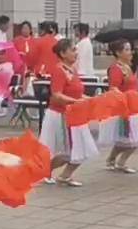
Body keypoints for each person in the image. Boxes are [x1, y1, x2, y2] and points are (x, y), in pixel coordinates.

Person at [39, 38, 99, 186]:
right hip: (61, 115)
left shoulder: (73, 70)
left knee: (83, 149)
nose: (76, 53)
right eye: (72, 50)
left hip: (75, 115)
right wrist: (75, 101)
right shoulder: (59, 70)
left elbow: (76, 93)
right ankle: (45, 171)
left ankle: (65, 175)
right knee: (68, 151)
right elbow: (56, 95)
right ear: (63, 53)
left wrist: (89, 99)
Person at [99, 39, 138, 172]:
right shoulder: (116, 69)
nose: (130, 52)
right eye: (126, 50)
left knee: (127, 138)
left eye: (129, 49)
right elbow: (113, 88)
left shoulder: (129, 67)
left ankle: (114, 159)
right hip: (123, 108)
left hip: (132, 107)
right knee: (132, 138)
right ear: (118, 53)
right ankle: (117, 161)